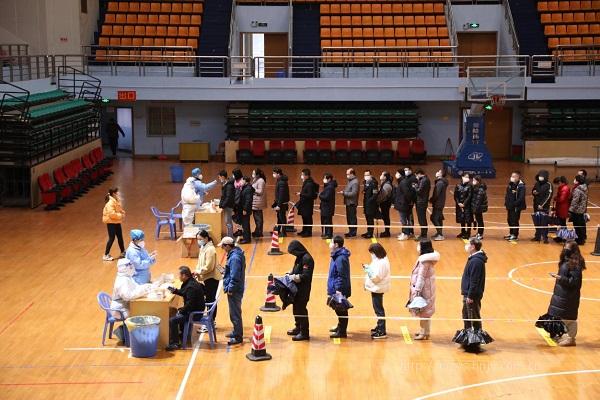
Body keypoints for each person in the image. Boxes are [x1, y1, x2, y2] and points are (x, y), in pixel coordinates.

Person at [548, 240, 585, 346]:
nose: (565, 249)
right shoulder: (566, 259)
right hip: (561, 294)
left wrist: (560, 278)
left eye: (567, 248)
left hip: (569, 296)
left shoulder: (575, 263)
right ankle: (563, 335)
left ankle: (570, 339)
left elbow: (574, 282)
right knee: (559, 316)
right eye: (564, 247)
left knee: (569, 318)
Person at [165, 266, 206, 351]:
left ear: (184, 275)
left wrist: (181, 311)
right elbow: (185, 293)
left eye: (179, 275)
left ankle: (175, 343)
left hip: (194, 314)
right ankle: (183, 334)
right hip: (194, 309)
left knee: (172, 320)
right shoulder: (190, 282)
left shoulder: (191, 287)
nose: (178, 277)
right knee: (179, 311)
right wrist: (176, 291)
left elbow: (190, 305)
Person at [408, 239, 440, 340]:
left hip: (424, 290)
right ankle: (426, 331)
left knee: (423, 312)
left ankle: (423, 333)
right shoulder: (427, 259)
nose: (418, 247)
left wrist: (417, 291)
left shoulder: (424, 261)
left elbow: (421, 277)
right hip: (428, 288)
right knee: (427, 312)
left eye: (419, 245)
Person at [460, 237, 487, 349]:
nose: (466, 246)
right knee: (467, 315)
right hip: (469, 294)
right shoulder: (474, 259)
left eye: (468, 244)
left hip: (472, 296)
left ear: (473, 247)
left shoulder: (476, 261)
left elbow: (474, 280)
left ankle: (475, 342)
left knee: (473, 317)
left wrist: (470, 295)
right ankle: (469, 340)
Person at [286, 240, 315, 341]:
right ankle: (298, 327)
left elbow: (305, 276)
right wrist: (289, 274)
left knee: (301, 310)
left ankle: (304, 333)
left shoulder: (307, 259)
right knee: (296, 309)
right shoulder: (299, 257)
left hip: (303, 290)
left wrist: (293, 277)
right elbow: (296, 270)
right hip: (296, 289)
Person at [220, 236, 246, 345]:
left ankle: (238, 337)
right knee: (234, 312)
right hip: (236, 288)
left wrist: (230, 288)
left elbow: (235, 276)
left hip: (234, 290)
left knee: (235, 313)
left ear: (227, 246)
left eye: (223, 246)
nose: (222, 249)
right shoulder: (235, 254)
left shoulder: (234, 258)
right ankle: (236, 331)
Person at [194, 230, 222, 330]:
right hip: (206, 277)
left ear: (206, 238)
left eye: (200, 239)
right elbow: (200, 262)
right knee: (208, 298)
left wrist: (198, 272)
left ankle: (211, 322)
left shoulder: (210, 249)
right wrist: (196, 271)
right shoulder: (203, 247)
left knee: (210, 300)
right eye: (198, 239)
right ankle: (209, 321)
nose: (199, 241)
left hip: (211, 278)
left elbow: (209, 267)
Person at [363, 243, 391, 339]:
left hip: (378, 288)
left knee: (379, 310)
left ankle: (382, 331)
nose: (371, 255)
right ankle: (379, 326)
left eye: (372, 253)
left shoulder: (382, 263)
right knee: (378, 309)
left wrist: (368, 270)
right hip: (377, 288)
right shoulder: (379, 260)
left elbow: (376, 278)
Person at [327, 235, 351, 338]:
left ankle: (342, 331)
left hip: (339, 289)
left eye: (331, 242)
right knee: (338, 309)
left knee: (341, 310)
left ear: (336, 245)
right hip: (335, 287)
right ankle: (340, 327)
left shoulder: (340, 258)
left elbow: (341, 275)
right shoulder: (336, 256)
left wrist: (338, 289)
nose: (330, 244)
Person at [103, 188, 125, 261]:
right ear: (113, 193)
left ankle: (123, 252)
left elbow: (118, 209)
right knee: (111, 238)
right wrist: (120, 215)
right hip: (111, 223)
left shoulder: (115, 201)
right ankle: (106, 255)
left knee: (120, 237)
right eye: (117, 193)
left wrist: (122, 212)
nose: (118, 194)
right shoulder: (110, 203)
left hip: (116, 221)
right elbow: (112, 214)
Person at [531, 170, 553, 244]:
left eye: (542, 176)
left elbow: (548, 196)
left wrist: (542, 205)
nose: (540, 177)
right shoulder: (537, 183)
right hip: (536, 205)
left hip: (544, 207)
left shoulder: (549, 185)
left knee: (544, 222)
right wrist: (534, 192)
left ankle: (545, 238)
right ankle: (537, 236)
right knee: (537, 221)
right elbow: (533, 190)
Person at [295, 168, 319, 237]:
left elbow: (310, 195)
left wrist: (301, 194)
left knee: (308, 218)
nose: (301, 176)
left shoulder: (309, 184)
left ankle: (308, 232)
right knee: (304, 218)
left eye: (302, 175)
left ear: (307, 176)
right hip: (304, 204)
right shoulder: (306, 182)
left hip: (307, 205)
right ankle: (304, 230)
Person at [504, 171, 526, 242]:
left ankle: (515, 235)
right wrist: (507, 203)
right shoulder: (511, 184)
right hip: (510, 206)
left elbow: (521, 198)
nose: (511, 177)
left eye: (513, 176)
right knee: (509, 220)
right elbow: (508, 194)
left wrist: (514, 204)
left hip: (516, 207)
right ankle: (511, 233)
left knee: (515, 221)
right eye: (511, 176)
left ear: (517, 177)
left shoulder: (521, 186)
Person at [397, 167, 417, 241]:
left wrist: (410, 201)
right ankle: (406, 232)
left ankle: (407, 233)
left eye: (407, 170)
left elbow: (408, 193)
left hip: (405, 204)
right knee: (406, 219)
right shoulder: (404, 180)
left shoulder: (406, 181)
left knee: (405, 219)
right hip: (404, 203)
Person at [429, 169, 448, 241]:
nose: (437, 172)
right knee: (439, 218)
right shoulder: (442, 182)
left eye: (439, 172)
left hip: (438, 203)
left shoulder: (440, 183)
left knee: (434, 218)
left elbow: (436, 194)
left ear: (441, 174)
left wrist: (431, 200)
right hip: (440, 203)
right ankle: (439, 233)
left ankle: (440, 234)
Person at [570, 175, 588, 245]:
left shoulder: (577, 190)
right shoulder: (585, 188)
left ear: (577, 181)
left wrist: (570, 210)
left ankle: (579, 240)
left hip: (577, 211)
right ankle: (582, 239)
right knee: (581, 225)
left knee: (577, 226)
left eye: (575, 179)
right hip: (582, 210)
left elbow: (575, 201)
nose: (574, 180)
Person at [341, 168, 359, 238]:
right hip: (348, 203)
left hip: (352, 203)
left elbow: (354, 193)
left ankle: (353, 232)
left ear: (352, 174)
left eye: (348, 174)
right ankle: (350, 231)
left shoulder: (355, 182)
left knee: (352, 218)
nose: (347, 175)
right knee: (349, 218)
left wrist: (344, 193)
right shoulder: (350, 181)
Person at [272, 167, 290, 237]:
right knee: (279, 217)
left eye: (274, 173)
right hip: (280, 203)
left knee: (282, 217)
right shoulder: (279, 180)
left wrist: (279, 205)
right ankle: (278, 230)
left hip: (282, 204)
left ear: (278, 174)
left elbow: (281, 195)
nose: (273, 174)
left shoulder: (281, 182)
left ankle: (284, 232)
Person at [454, 173, 473, 239]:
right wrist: (458, 203)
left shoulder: (470, 186)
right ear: (462, 177)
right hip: (459, 206)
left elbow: (469, 196)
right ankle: (463, 232)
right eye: (465, 177)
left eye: (468, 177)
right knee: (462, 219)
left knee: (468, 219)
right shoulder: (458, 185)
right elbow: (455, 195)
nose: (467, 178)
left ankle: (468, 232)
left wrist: (464, 204)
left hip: (467, 206)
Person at [552, 176, 571, 242]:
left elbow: (561, 199)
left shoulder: (565, 188)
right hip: (560, 208)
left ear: (560, 182)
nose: (557, 185)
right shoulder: (561, 188)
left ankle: (564, 238)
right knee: (561, 223)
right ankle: (560, 237)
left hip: (563, 208)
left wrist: (556, 198)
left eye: (557, 184)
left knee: (563, 223)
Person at [414, 169, 431, 240]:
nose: (416, 177)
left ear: (419, 174)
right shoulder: (424, 180)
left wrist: (415, 186)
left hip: (421, 202)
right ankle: (423, 234)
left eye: (416, 175)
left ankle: (424, 235)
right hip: (421, 201)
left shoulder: (424, 180)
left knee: (422, 219)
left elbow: (419, 191)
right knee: (421, 219)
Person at [362, 170, 379, 239]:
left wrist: (369, 201)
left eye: (367, 175)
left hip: (371, 205)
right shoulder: (365, 182)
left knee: (370, 219)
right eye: (365, 175)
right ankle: (368, 231)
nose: (366, 176)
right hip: (366, 204)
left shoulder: (374, 183)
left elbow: (375, 194)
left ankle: (370, 233)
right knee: (367, 218)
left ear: (371, 175)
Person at [319, 173, 337, 239]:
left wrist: (320, 195)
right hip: (326, 207)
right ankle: (327, 233)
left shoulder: (330, 187)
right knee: (326, 221)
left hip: (328, 207)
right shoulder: (328, 186)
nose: (324, 179)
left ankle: (329, 234)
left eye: (325, 178)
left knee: (328, 221)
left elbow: (326, 197)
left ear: (329, 179)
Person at [238, 176, 255, 244]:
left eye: (242, 180)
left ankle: (247, 239)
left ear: (245, 181)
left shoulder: (248, 189)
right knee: (245, 224)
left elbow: (248, 200)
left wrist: (245, 209)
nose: (241, 182)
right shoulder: (245, 187)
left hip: (246, 210)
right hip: (244, 209)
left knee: (245, 225)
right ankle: (246, 237)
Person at [218, 170, 235, 237]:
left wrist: (222, 205)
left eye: (219, 177)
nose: (219, 179)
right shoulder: (225, 184)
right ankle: (229, 236)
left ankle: (230, 237)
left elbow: (228, 197)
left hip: (228, 206)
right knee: (227, 221)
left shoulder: (229, 186)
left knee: (228, 222)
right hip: (226, 205)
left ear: (222, 177)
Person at [470, 175, 488, 240]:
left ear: (477, 181)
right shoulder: (476, 188)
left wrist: (474, 209)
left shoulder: (480, 190)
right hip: (477, 207)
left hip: (479, 208)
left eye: (474, 180)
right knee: (479, 220)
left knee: (480, 221)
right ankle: (479, 233)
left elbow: (478, 201)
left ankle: (480, 234)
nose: (473, 181)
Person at [377, 171, 393, 238]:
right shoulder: (384, 183)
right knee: (385, 217)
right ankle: (386, 231)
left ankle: (387, 232)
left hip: (385, 203)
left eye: (382, 175)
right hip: (384, 203)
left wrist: (377, 201)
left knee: (386, 217)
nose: (380, 176)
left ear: (385, 177)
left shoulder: (387, 185)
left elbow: (383, 195)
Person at [251, 169, 267, 238]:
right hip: (255, 201)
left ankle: (259, 232)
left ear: (257, 174)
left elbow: (260, 191)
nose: (252, 174)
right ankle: (257, 230)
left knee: (258, 218)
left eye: (254, 173)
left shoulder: (261, 181)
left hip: (258, 202)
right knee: (256, 218)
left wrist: (252, 189)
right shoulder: (255, 179)